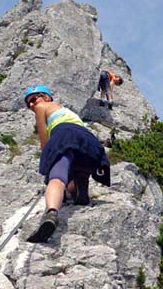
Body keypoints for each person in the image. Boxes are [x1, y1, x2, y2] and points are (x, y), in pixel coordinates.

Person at [24, 85, 110, 243]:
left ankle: (51, 215)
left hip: (63, 135)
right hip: (89, 142)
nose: (31, 104)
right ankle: (79, 187)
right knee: (75, 171)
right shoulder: (66, 111)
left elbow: (44, 139)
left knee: (56, 177)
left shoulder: (42, 107)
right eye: (28, 103)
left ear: (46, 97)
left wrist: (47, 159)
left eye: (33, 99)